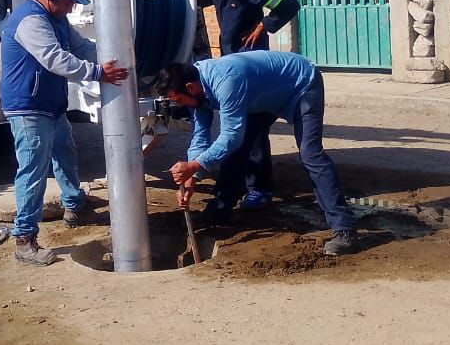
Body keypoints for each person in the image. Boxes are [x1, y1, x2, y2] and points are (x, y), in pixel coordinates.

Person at [151, 51, 359, 256]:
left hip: (300, 84)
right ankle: (219, 212)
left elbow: (231, 135)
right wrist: (191, 178)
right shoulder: (196, 89)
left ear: (190, 87)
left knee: (310, 154)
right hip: (261, 96)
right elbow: (200, 135)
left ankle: (344, 229)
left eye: (178, 99)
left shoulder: (227, 81)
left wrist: (196, 165)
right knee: (234, 152)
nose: (179, 105)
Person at [0, 0, 129, 266]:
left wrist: (119, 53)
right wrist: (98, 73)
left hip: (49, 103)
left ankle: (74, 206)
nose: (73, 8)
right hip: (29, 107)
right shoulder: (31, 21)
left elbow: (82, 46)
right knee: (33, 171)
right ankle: (24, 240)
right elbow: (55, 59)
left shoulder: (56, 19)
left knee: (64, 153)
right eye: (70, 2)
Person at [193, 0, 301, 220]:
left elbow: (288, 4)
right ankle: (238, 182)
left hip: (252, 67)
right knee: (236, 129)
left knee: (252, 129)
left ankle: (260, 188)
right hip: (231, 64)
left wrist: (265, 25)